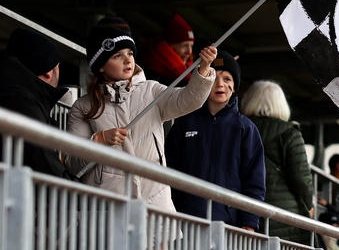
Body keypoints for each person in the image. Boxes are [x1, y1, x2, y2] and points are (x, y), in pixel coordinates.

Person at [64, 25, 215, 210]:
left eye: (129, 53)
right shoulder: (83, 107)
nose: (128, 60)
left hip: (156, 207)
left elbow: (188, 100)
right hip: (106, 209)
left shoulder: (151, 90)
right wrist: (99, 140)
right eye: (117, 56)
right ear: (100, 66)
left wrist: (204, 70)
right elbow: (72, 162)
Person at [166, 50, 266, 231]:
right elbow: (169, 169)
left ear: (234, 86)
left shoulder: (246, 128)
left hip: (229, 227)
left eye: (227, 79)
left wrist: (249, 223)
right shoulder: (184, 122)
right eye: (213, 77)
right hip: (184, 223)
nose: (220, 84)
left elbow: (254, 181)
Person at [239, 80, 314, 244]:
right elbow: (300, 177)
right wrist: (309, 203)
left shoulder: (238, 129)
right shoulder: (289, 133)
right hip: (284, 215)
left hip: (245, 209)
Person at [0, 28, 69, 177]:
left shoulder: (14, 94)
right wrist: (78, 196)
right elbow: (45, 165)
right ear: (48, 71)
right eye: (58, 66)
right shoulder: (21, 102)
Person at [140, 14, 197, 86]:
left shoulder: (192, 70)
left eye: (191, 46)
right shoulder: (150, 71)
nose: (189, 52)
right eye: (184, 46)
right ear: (169, 46)